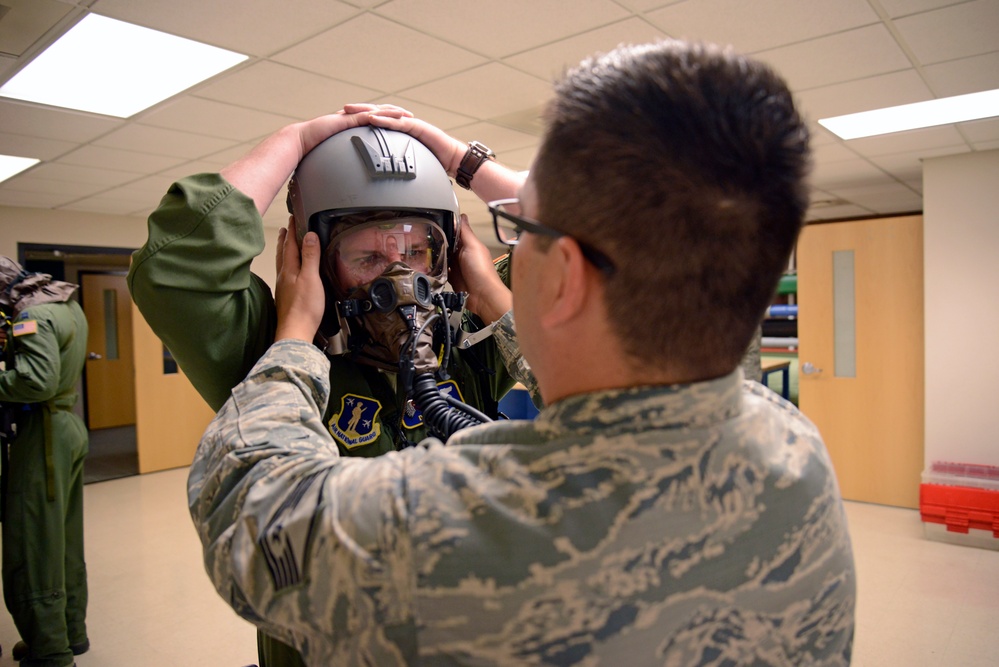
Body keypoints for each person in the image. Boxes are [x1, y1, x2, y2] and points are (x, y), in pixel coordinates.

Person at [185, 39, 857, 666]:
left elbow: (250, 508)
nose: (494, 253)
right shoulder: (794, 452)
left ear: (562, 277)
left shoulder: (448, 526)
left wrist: (293, 338)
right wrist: (465, 166)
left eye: (518, 227)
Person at [128, 109, 522, 666]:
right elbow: (176, 262)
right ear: (314, 256)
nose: (399, 277)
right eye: (367, 257)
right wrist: (295, 140)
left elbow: (590, 235)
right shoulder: (271, 349)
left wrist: (464, 166)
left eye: (416, 251)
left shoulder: (473, 334)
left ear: (450, 254)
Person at [0, 257, 90, 667]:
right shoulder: (64, 303)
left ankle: (49, 649)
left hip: (43, 434)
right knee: (65, 540)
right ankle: (70, 632)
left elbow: (36, 380)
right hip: (68, 425)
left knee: (34, 542)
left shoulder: (30, 316)